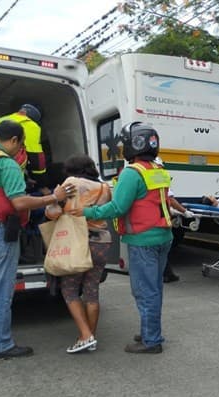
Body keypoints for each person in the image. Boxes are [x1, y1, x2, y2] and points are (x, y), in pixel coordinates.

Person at [0, 120, 73, 359]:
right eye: (19, 147)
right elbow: (19, 202)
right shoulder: (5, 163)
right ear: (14, 141)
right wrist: (53, 197)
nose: (18, 152)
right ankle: (1, 344)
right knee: (2, 290)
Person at [70, 122, 172, 354]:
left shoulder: (132, 172)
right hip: (163, 237)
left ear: (132, 145)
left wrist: (87, 212)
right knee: (154, 288)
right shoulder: (157, 169)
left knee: (145, 291)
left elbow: (118, 207)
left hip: (143, 241)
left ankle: (151, 341)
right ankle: (150, 331)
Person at [45, 154, 112, 353]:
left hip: (77, 240)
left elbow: (54, 213)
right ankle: (90, 336)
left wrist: (51, 202)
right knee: (92, 291)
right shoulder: (104, 187)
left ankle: (85, 335)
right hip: (102, 241)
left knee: (69, 289)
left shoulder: (71, 182)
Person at [0, 104, 49, 191]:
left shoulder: (1, 121)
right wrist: (42, 184)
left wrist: (26, 178)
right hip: (8, 171)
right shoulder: (30, 124)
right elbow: (36, 157)